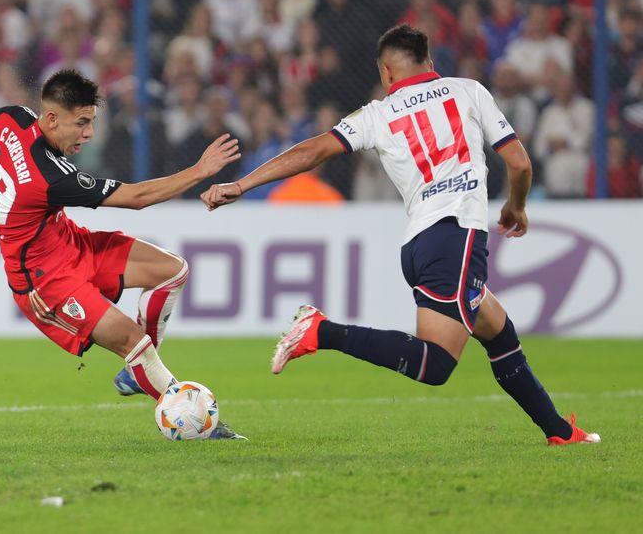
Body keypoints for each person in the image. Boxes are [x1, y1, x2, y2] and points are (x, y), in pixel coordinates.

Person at [201, 24, 600, 446]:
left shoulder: (377, 114)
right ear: (430, 62)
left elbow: (309, 151)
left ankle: (559, 432)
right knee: (436, 365)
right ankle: (322, 331)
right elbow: (519, 164)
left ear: (387, 73)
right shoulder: (468, 91)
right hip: (457, 236)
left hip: (420, 243)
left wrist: (241, 185)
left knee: (499, 333)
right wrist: (516, 205)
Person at [0, 68, 246, 439]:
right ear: (51, 118)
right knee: (136, 344)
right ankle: (196, 423)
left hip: (70, 243)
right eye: (81, 122)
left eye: (92, 121)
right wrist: (200, 170)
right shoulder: (49, 177)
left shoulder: (12, 119)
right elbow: (137, 198)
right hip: (46, 282)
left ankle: (139, 370)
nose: (89, 133)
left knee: (172, 271)